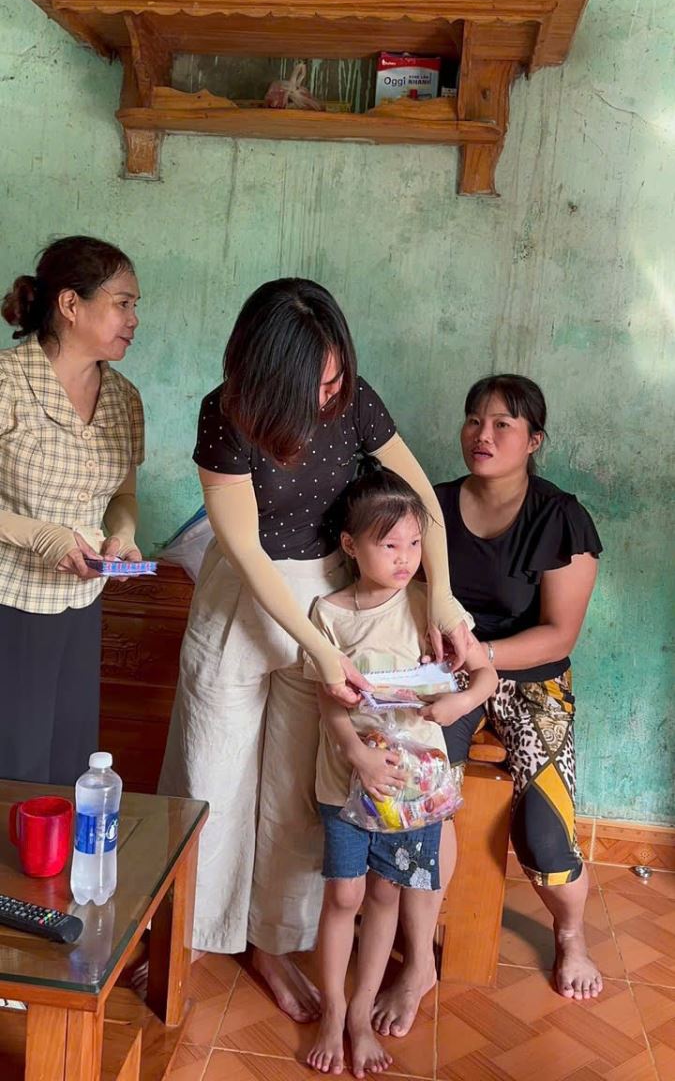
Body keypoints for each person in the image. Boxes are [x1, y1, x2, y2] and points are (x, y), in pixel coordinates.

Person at [159, 277, 473, 1022]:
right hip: (244, 600)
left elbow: (420, 500)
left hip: (326, 597)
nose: (329, 394)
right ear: (266, 373)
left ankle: (271, 942)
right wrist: (317, 652)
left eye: (336, 378)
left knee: (299, 790)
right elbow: (244, 550)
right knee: (212, 775)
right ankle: (191, 935)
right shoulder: (225, 413)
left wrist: (441, 592)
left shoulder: (353, 400)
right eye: (315, 382)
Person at [372, 374, 603, 1035]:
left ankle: (570, 936)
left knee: (544, 832)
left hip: (528, 674)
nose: (483, 434)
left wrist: (483, 656)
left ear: (534, 440)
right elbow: (399, 587)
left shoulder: (560, 518)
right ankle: (419, 961)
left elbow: (559, 635)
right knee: (418, 798)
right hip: (445, 672)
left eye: (504, 424)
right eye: (474, 419)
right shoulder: (432, 506)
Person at [305, 467, 497, 1077]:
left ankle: (361, 1016)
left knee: (386, 893)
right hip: (346, 782)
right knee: (344, 895)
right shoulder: (327, 614)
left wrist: (459, 704)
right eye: (390, 544)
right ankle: (333, 1013)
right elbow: (326, 700)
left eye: (415, 543)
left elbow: (485, 674)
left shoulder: (430, 606)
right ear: (350, 544)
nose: (406, 557)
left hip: (413, 792)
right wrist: (356, 753)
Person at [0, 236, 144, 785]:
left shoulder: (124, 398)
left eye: (135, 306)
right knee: (15, 768)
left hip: (82, 603)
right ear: (70, 304)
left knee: (72, 763)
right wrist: (44, 537)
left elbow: (123, 496)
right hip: (10, 603)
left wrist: (122, 536)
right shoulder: (8, 382)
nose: (133, 319)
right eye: (122, 303)